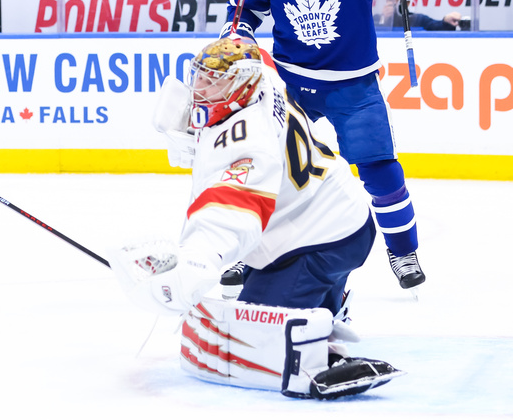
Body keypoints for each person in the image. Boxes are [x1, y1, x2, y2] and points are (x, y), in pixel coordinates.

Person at [113, 37, 403, 400]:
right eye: (199, 76)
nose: (199, 88)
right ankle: (326, 303)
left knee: (255, 334)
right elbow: (248, 47)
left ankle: (319, 355)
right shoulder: (264, 76)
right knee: (261, 290)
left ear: (240, 85)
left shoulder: (248, 144)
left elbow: (230, 215)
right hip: (334, 214)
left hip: (316, 238)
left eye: (212, 82)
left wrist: (192, 264)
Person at [223, 0, 431, 291]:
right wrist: (239, 36)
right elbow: (247, 9)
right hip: (291, 83)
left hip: (351, 85)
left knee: (379, 170)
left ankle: (402, 250)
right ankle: (257, 253)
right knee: (264, 167)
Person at [376, 0, 460, 30]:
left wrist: (446, 21)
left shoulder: (418, 19)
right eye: (391, 0)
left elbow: (436, 26)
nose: (395, 5)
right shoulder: (376, 19)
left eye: (399, 2)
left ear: (408, 2)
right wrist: (384, 21)